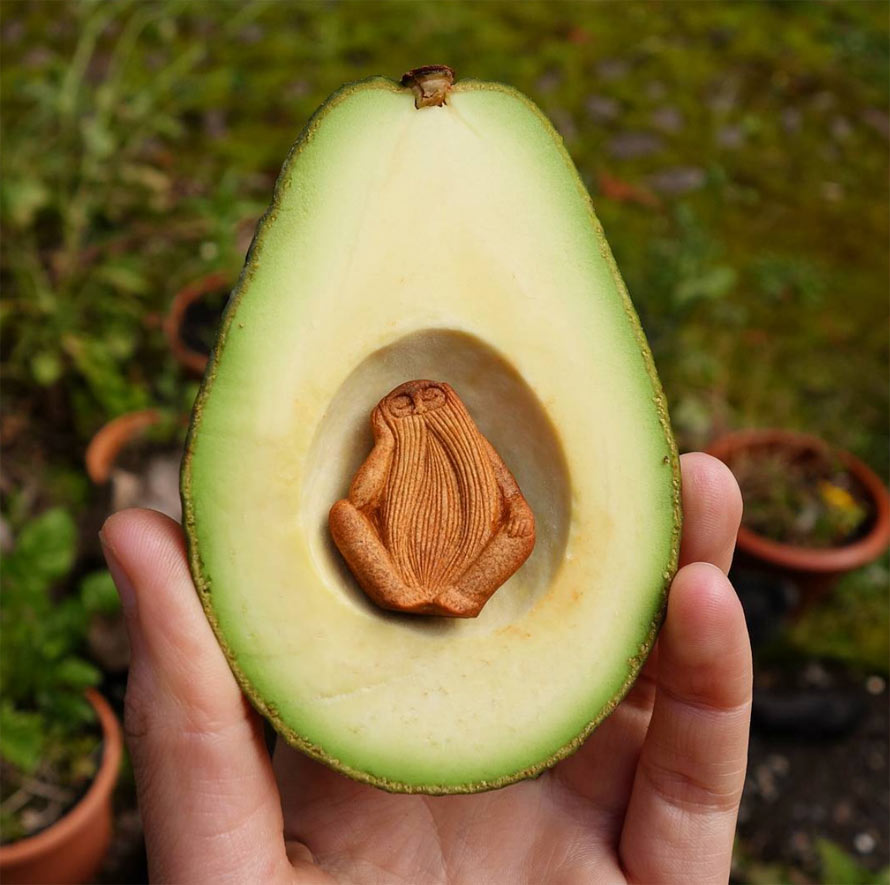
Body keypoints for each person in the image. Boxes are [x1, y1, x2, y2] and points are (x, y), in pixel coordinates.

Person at [101, 452, 751, 884]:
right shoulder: (398, 446)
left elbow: (517, 515)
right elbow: (354, 507)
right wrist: (386, 453)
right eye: (406, 403)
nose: (417, 406)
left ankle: (450, 590)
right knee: (349, 518)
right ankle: (422, 589)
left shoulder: (470, 459)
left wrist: (466, 583)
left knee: (514, 529)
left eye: (427, 399)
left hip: (462, 570)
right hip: (404, 568)